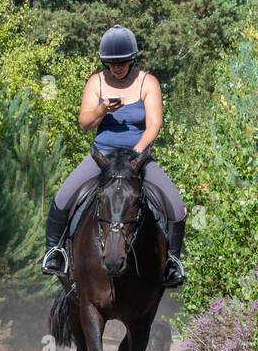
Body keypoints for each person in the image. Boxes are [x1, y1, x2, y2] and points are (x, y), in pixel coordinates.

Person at [41, 25, 187, 287]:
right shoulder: (96, 81)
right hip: (104, 157)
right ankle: (55, 253)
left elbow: (154, 124)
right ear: (104, 63)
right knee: (62, 198)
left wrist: (136, 155)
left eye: (122, 63)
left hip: (137, 157)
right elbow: (84, 123)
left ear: (132, 60)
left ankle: (172, 263)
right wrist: (102, 109)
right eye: (111, 63)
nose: (117, 68)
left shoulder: (147, 82)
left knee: (176, 205)